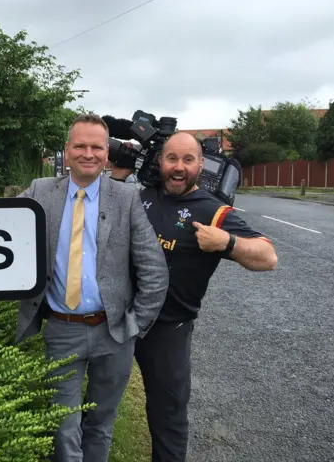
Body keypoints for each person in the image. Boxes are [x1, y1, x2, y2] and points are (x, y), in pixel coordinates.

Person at [0, 113, 170, 462]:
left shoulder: (126, 199)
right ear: (67, 149)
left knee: (100, 423)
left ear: (107, 153)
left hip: (114, 333)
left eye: (97, 146)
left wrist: (135, 326)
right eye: (80, 145)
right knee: (62, 425)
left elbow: (154, 270)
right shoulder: (40, 191)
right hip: (61, 329)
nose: (88, 153)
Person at [110, 132, 277, 462]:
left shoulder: (214, 212)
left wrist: (227, 242)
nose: (179, 167)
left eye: (188, 160)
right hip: (120, 319)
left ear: (201, 165)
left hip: (167, 330)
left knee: (167, 417)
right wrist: (117, 179)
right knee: (100, 402)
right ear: (160, 161)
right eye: (172, 158)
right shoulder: (142, 196)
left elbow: (267, 257)